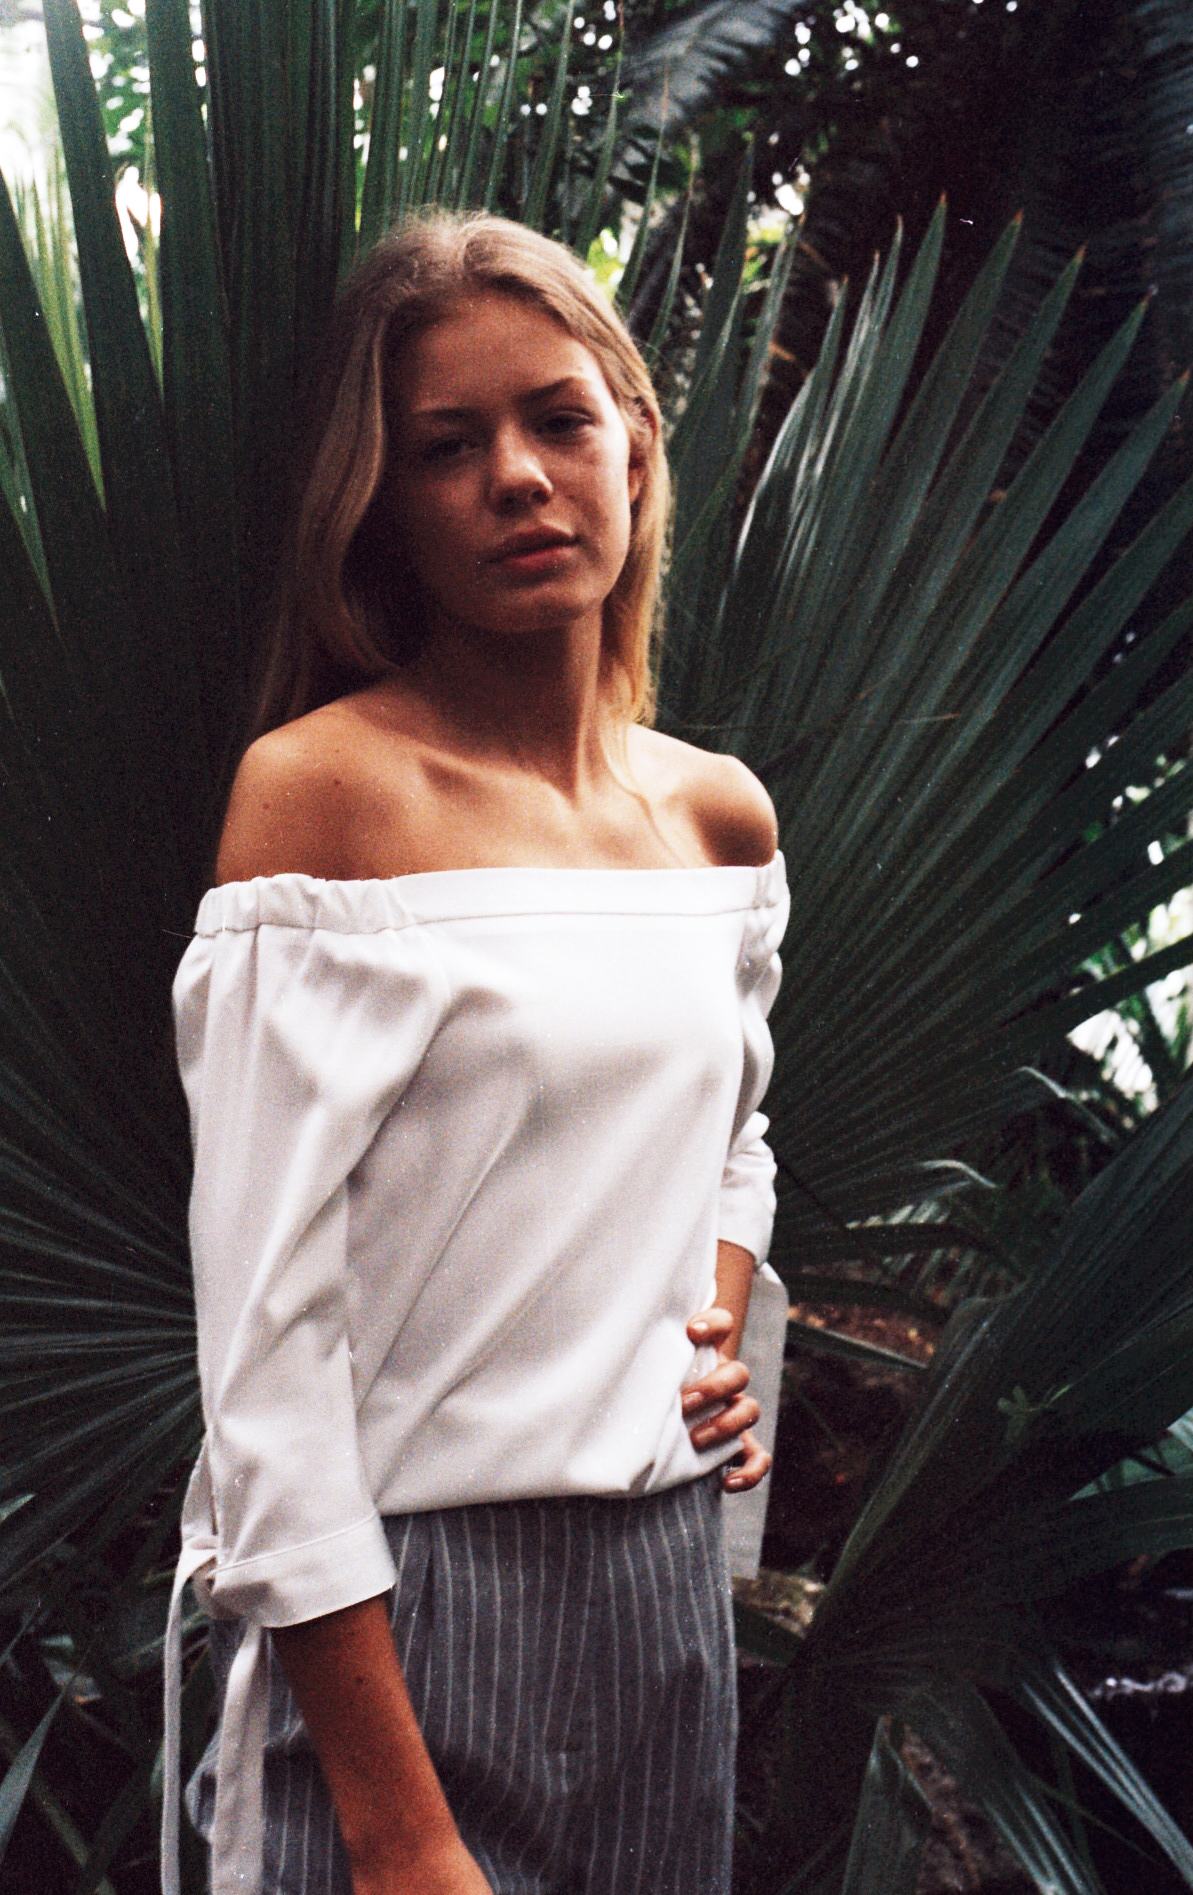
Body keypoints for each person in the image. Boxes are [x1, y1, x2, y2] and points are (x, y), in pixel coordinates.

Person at [160, 211, 788, 1895]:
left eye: (558, 419)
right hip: (396, 1618)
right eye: (448, 447)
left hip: (667, 1601)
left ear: (634, 445)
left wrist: (711, 1320)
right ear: (385, 507)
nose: (518, 477)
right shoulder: (325, 798)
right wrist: (396, 1823)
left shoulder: (716, 817)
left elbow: (734, 1135)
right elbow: (267, 1348)